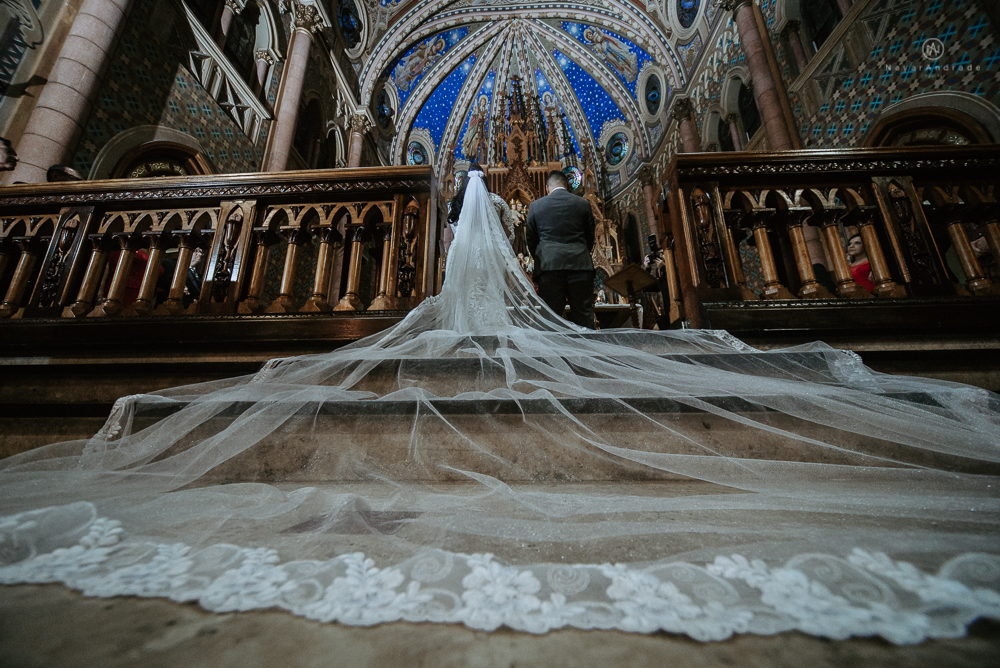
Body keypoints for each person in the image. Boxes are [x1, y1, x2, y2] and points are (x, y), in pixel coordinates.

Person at [1, 169, 998, 642]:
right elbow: (586, 234)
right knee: (571, 338)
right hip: (571, 273)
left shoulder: (515, 214)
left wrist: (524, 248)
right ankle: (566, 363)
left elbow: (514, 248)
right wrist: (569, 248)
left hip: (532, 269)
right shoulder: (577, 203)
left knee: (522, 332)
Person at [526, 170, 597, 328]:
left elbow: (531, 239)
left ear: (547, 188)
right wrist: (580, 253)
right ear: (567, 185)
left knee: (551, 319)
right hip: (580, 265)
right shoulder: (583, 204)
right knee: (584, 317)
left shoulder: (536, 206)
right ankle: (587, 344)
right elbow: (590, 237)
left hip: (549, 267)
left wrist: (543, 257)